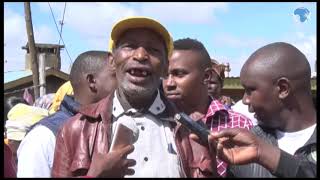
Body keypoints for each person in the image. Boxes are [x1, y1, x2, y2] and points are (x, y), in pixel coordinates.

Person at [52, 16, 218, 178]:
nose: (140, 55)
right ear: (111, 61)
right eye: (130, 46)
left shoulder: (192, 129)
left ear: (165, 65)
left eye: (153, 49)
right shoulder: (75, 130)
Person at [194, 42, 317, 177]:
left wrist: (266, 154)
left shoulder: (255, 148)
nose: (245, 100)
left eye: (250, 90)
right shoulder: (246, 144)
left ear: (283, 89)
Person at [17, 51, 117, 177]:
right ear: (92, 81)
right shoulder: (43, 136)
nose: (124, 83)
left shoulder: (114, 125)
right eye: (116, 76)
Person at [162, 38, 253, 177]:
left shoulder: (239, 125)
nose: (168, 83)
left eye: (179, 74)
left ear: (206, 76)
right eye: (164, 74)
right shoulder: (154, 123)